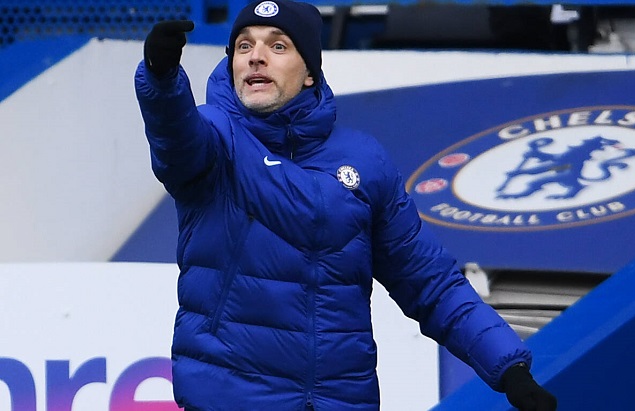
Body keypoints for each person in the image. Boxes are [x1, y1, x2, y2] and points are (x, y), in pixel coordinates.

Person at [134, 1, 558, 410]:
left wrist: (508, 367)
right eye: (244, 46)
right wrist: (162, 80)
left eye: (277, 45)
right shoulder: (213, 136)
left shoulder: (364, 161)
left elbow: (430, 282)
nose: (255, 56)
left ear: (309, 74)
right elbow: (175, 137)